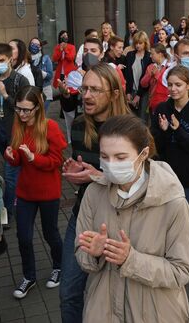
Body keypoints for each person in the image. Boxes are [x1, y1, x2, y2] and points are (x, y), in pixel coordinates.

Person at [76, 114, 189, 322]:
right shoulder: (93, 193)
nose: (111, 165)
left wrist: (131, 260)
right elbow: (81, 253)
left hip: (154, 312)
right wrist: (93, 255)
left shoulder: (172, 203)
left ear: (143, 154)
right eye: (104, 156)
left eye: (120, 158)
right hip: (103, 310)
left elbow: (180, 272)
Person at [59, 63, 130, 322]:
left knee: (119, 297)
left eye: (95, 90)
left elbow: (141, 181)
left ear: (113, 93)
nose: (86, 95)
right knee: (69, 292)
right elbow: (88, 179)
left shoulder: (132, 129)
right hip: (84, 218)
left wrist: (98, 175)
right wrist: (78, 175)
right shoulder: (79, 125)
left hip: (123, 222)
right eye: (84, 88)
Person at [5, 86, 67, 298]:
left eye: (26, 110)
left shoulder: (50, 127)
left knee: (50, 233)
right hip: (25, 192)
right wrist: (10, 155)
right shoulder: (18, 127)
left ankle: (59, 267)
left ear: (37, 107)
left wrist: (34, 158)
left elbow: (57, 161)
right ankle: (29, 277)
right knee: (23, 237)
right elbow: (15, 161)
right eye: (18, 109)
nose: (22, 114)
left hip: (49, 191)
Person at [151, 66, 189, 268]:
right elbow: (155, 145)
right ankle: (173, 252)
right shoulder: (161, 109)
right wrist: (165, 132)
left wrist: (178, 132)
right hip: (165, 176)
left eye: (178, 85)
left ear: (188, 85)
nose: (173, 89)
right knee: (166, 219)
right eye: (170, 84)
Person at [0, 43, 30, 222]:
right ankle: (23, 193)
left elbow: (25, 110)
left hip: (16, 135)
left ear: (10, 59)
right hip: (0, 134)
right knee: (15, 172)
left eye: (1, 60)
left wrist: (6, 95)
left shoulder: (20, 81)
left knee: (9, 176)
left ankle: (7, 212)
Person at [58, 38, 105, 144]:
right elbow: (70, 108)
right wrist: (66, 95)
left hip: (104, 127)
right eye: (85, 50)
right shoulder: (75, 75)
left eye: (93, 51)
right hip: (82, 127)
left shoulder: (109, 74)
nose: (88, 54)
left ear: (101, 54)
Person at [123, 31, 152, 118]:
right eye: (136, 43)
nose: (137, 45)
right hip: (131, 90)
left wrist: (139, 95)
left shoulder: (149, 57)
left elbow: (147, 79)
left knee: (142, 117)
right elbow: (127, 75)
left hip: (144, 92)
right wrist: (128, 92)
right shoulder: (130, 55)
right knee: (131, 117)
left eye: (140, 43)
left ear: (145, 43)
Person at [142, 43, 171, 116]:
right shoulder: (150, 66)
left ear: (160, 54)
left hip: (165, 103)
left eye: (152, 54)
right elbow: (143, 84)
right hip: (152, 102)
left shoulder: (170, 67)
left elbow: (166, 85)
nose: (150, 56)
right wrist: (150, 75)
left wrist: (156, 74)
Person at [29, 37, 54, 109]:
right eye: (32, 44)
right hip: (32, 91)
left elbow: (50, 76)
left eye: (36, 44)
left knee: (42, 116)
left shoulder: (45, 58)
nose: (34, 46)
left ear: (40, 47)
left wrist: (40, 73)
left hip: (45, 90)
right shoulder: (27, 59)